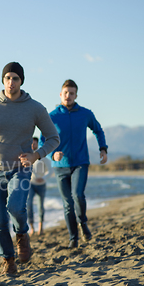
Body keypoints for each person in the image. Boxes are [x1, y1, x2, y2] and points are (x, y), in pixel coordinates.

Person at [0, 62, 60, 275]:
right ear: (3, 80)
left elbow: (54, 138)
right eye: (7, 77)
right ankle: (8, 259)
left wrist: (36, 155)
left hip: (20, 168)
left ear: (21, 81)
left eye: (15, 78)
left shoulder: (35, 108)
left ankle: (22, 235)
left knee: (16, 207)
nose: (11, 82)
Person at [43, 79, 107, 248]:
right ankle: (74, 238)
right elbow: (42, 141)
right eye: (65, 93)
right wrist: (52, 154)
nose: (68, 96)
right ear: (60, 94)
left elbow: (98, 130)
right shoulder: (52, 116)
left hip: (80, 162)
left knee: (78, 195)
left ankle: (83, 223)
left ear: (76, 95)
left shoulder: (85, 114)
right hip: (60, 166)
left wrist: (103, 148)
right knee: (67, 205)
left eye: (72, 93)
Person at [26, 137, 51, 235]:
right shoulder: (27, 155)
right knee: (29, 205)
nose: (33, 145)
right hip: (31, 184)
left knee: (40, 206)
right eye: (31, 143)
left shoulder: (42, 156)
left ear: (37, 144)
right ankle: (32, 227)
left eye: (34, 143)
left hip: (41, 185)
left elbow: (50, 169)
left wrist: (44, 178)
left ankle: (41, 227)